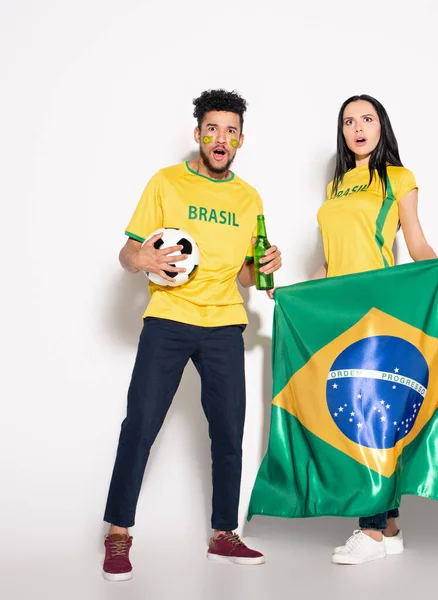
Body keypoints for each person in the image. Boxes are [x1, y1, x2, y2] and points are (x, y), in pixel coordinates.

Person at [101, 89, 281, 581]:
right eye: (212, 128)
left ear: (241, 140)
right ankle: (118, 533)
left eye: (230, 131)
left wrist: (264, 265)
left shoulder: (249, 198)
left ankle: (224, 534)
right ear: (197, 133)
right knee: (140, 423)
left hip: (224, 324)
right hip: (169, 318)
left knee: (229, 431)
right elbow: (128, 252)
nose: (220, 138)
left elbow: (245, 275)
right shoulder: (165, 183)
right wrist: (142, 259)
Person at [312, 94, 438, 565]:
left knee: (367, 419)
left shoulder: (399, 178)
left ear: (382, 127)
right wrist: (305, 297)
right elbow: (334, 255)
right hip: (341, 311)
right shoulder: (337, 185)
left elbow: (413, 239)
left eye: (367, 119)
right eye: (348, 121)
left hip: (377, 310)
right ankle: (392, 526)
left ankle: (371, 532)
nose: (357, 128)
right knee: (366, 414)